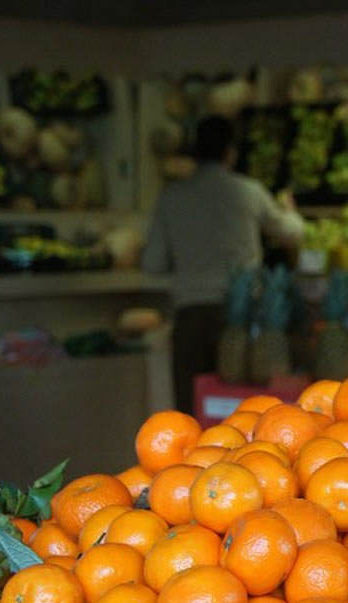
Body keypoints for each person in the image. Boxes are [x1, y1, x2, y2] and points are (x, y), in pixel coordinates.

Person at [141, 115, 305, 414]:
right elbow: (292, 233)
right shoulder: (248, 191)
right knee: (244, 411)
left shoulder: (172, 196)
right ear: (231, 151)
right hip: (239, 321)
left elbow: (152, 263)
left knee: (191, 413)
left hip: (190, 315)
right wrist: (290, 211)